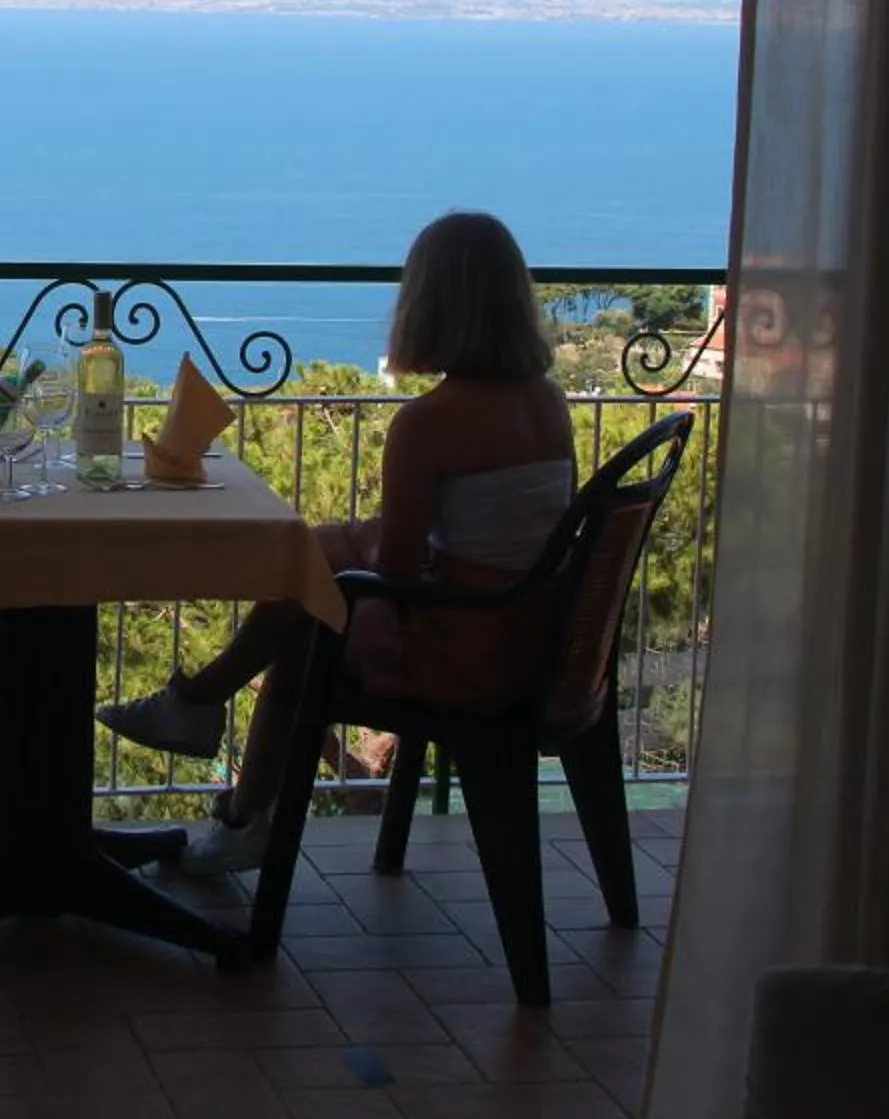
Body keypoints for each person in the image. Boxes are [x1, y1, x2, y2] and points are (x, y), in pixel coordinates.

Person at [96, 210, 574, 872]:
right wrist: (334, 552)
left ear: (429, 303)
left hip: (465, 659)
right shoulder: (548, 403)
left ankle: (212, 739)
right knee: (318, 571)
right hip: (536, 645)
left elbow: (397, 569)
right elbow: (488, 532)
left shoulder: (431, 422)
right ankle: (214, 753)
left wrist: (331, 569)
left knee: (305, 632)